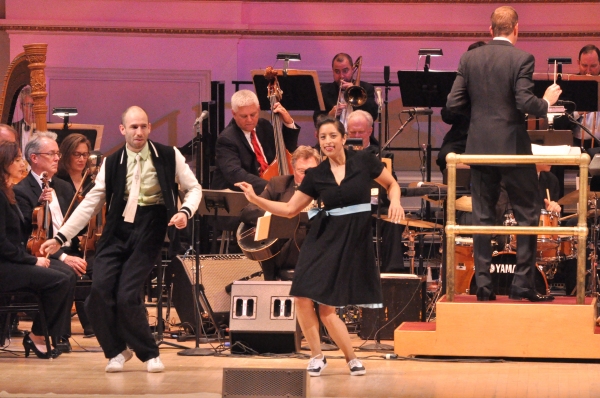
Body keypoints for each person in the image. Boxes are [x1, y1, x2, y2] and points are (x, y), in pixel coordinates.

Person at [236, 117, 404, 377]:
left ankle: (351, 358)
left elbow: (392, 184)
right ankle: (316, 356)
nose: (327, 141)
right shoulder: (316, 175)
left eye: (332, 136)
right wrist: (256, 199)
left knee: (327, 309)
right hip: (322, 239)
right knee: (302, 296)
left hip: (352, 239)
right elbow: (290, 209)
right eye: (323, 137)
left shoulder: (364, 160)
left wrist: (396, 202)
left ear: (343, 138)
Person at [41, 106, 201, 373]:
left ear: (149, 127)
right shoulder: (112, 162)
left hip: (151, 226)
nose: (139, 132)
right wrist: (61, 237)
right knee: (98, 296)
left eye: (143, 126)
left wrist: (185, 211)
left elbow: (193, 187)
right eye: (133, 127)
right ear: (122, 130)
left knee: (127, 295)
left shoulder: (168, 155)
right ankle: (116, 350)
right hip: (117, 229)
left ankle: (149, 353)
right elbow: (91, 202)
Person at [446, 6, 562, 302]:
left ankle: (483, 286)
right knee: (527, 213)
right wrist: (546, 103)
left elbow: (453, 102)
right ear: (516, 29)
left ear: (490, 30)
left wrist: (482, 117)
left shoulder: (469, 57)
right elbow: (525, 101)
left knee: (482, 216)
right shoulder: (522, 58)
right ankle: (522, 285)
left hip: (480, 148)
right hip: (513, 148)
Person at [0, 141, 71, 359]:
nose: (22, 163)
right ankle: (38, 335)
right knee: (59, 280)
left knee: (65, 275)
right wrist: (32, 261)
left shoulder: (7, 191)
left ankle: (44, 334)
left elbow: (19, 233)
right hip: (5, 267)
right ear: (5, 163)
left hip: (12, 262)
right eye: (18, 159)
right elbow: (2, 243)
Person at [14, 131, 81, 352]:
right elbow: (27, 234)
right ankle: (50, 333)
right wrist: (62, 255)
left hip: (68, 247)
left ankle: (58, 333)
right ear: (34, 158)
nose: (57, 158)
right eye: (51, 153)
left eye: (57, 153)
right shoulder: (22, 191)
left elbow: (72, 221)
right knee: (66, 273)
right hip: (38, 252)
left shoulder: (62, 186)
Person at [240, 146, 320, 280]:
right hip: (281, 252)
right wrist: (280, 217)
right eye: (302, 171)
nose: (308, 177)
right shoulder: (278, 184)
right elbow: (248, 211)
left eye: (312, 171)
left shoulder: (327, 188)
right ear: (293, 170)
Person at [346, 110, 405, 272]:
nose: (357, 135)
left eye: (361, 132)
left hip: (375, 206)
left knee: (392, 219)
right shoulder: (340, 155)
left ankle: (393, 273)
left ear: (370, 131)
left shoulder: (382, 155)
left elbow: (392, 184)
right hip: (348, 209)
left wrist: (395, 202)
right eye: (352, 132)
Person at [211, 89, 300, 195]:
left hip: (265, 193)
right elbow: (235, 174)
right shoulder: (226, 139)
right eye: (244, 116)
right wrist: (270, 187)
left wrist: (288, 122)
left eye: (253, 114)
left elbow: (286, 150)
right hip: (240, 198)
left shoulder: (264, 126)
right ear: (234, 114)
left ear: (258, 109)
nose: (249, 120)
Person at [437, 41, 487, 173]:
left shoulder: (493, 82)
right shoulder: (460, 81)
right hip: (461, 137)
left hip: (486, 138)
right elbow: (446, 117)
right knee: (444, 156)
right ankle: (454, 191)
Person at [313, 53, 379, 129]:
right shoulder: (324, 90)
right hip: (335, 138)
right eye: (337, 71)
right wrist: (330, 115)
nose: (341, 76)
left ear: (352, 69)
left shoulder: (366, 88)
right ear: (333, 71)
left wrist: (356, 93)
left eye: (345, 71)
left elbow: (373, 115)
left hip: (359, 137)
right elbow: (316, 121)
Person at [572, 45, 600, 149]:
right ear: (578, 63)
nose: (588, 71)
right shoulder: (570, 85)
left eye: (593, 66)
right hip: (577, 143)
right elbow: (560, 122)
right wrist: (578, 112)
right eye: (584, 65)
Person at [11, 86, 35, 150]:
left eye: (36, 105)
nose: (33, 110)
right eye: (29, 105)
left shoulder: (50, 127)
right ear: (21, 106)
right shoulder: (12, 128)